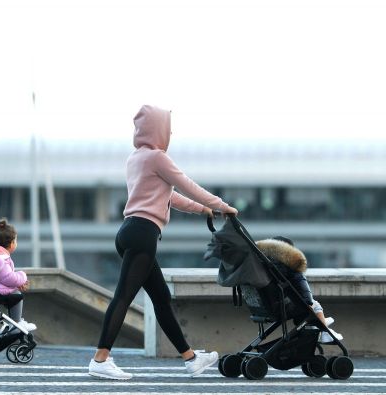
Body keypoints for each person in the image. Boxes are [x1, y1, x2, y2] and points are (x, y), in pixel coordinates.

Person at [88, 104, 239, 380]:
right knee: (124, 296)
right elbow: (185, 184)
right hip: (143, 234)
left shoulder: (135, 158)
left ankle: (190, 358)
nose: (170, 133)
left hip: (129, 231)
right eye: (168, 128)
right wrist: (222, 205)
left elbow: (169, 196)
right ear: (158, 130)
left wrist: (205, 210)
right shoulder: (158, 158)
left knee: (161, 299)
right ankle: (100, 358)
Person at [256, 236, 343, 344]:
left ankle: (322, 324)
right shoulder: (292, 265)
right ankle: (324, 331)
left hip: (263, 307)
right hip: (281, 308)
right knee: (314, 306)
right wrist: (308, 304)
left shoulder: (261, 265)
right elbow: (303, 290)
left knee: (308, 311)